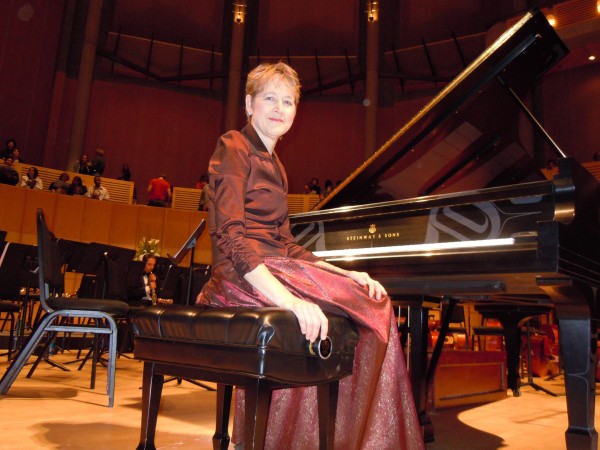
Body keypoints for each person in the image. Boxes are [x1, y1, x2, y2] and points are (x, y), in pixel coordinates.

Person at [196, 62, 424, 449]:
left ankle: (333, 438)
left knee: (368, 298)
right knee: (369, 309)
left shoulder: (277, 167)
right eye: (270, 98)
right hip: (241, 275)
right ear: (249, 104)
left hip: (276, 265)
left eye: (288, 101)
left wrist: (346, 273)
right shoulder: (233, 146)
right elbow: (231, 237)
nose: (279, 108)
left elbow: (287, 244)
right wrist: (289, 300)